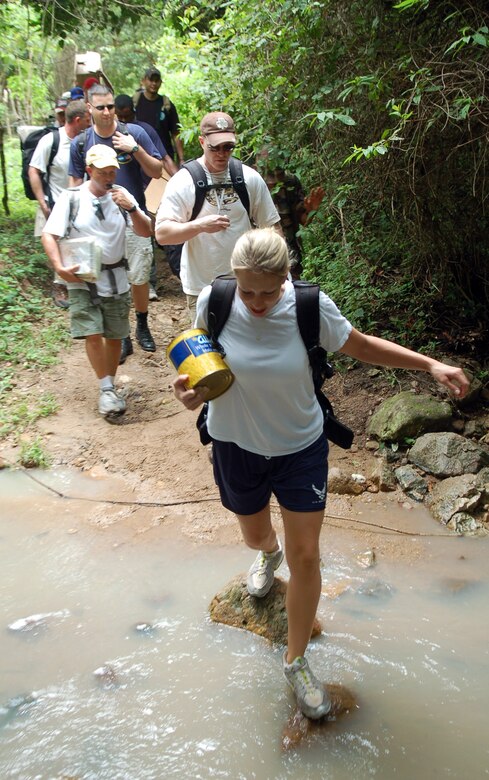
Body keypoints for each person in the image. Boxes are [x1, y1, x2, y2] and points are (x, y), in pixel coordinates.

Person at [171, 228, 470, 719]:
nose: (258, 301)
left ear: (287, 277)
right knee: (255, 535)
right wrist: (187, 394)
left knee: (306, 555)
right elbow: (196, 366)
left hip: (299, 448)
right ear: (234, 280)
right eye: (248, 291)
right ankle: (267, 554)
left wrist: (430, 364)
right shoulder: (215, 299)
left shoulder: (309, 307)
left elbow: (363, 346)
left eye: (269, 290)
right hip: (235, 444)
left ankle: (296, 661)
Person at [41, 145, 152, 418]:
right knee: (92, 331)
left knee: (115, 335)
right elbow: (49, 234)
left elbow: (146, 230)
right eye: (102, 172)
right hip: (82, 278)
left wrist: (133, 209)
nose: (108, 177)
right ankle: (105, 389)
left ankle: (109, 386)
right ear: (89, 171)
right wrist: (59, 267)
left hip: (116, 279)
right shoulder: (71, 198)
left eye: (112, 171)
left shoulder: (122, 197)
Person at [155, 111, 281, 319]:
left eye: (228, 147)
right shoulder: (183, 181)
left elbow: (272, 228)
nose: (222, 153)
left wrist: (279, 272)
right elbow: (162, 234)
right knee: (207, 350)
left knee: (244, 348)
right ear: (202, 142)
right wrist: (199, 225)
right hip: (201, 286)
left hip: (247, 287)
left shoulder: (249, 178)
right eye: (215, 147)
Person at [69, 84, 163, 358]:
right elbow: (75, 184)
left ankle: (142, 325)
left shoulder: (134, 132)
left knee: (139, 275)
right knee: (112, 278)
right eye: (101, 108)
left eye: (110, 106)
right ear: (89, 109)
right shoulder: (82, 142)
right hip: (98, 224)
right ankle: (121, 334)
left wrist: (135, 150)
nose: (108, 112)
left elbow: (157, 171)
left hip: (134, 215)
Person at [115, 93, 179, 302]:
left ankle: (149, 283)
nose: (124, 121)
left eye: (128, 116)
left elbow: (163, 158)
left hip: (149, 189)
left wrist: (177, 181)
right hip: (119, 195)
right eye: (120, 117)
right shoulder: (107, 135)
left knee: (146, 234)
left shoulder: (142, 131)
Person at [29, 99, 91, 307]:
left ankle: (78, 283)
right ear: (77, 120)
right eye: (88, 119)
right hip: (57, 202)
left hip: (82, 202)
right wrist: (42, 202)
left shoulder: (86, 140)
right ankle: (60, 287)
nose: (90, 124)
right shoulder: (51, 141)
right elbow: (34, 170)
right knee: (56, 243)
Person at [255, 148, 325, 279]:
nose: (272, 181)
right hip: (258, 258)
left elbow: (304, 221)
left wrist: (311, 209)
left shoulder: (290, 183)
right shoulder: (250, 183)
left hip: (290, 258)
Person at [133, 67, 184, 166]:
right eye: (151, 80)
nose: (154, 84)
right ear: (144, 81)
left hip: (164, 158)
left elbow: (176, 133)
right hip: (140, 157)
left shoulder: (167, 105)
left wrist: (181, 158)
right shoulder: (135, 102)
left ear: (160, 82)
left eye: (157, 81)